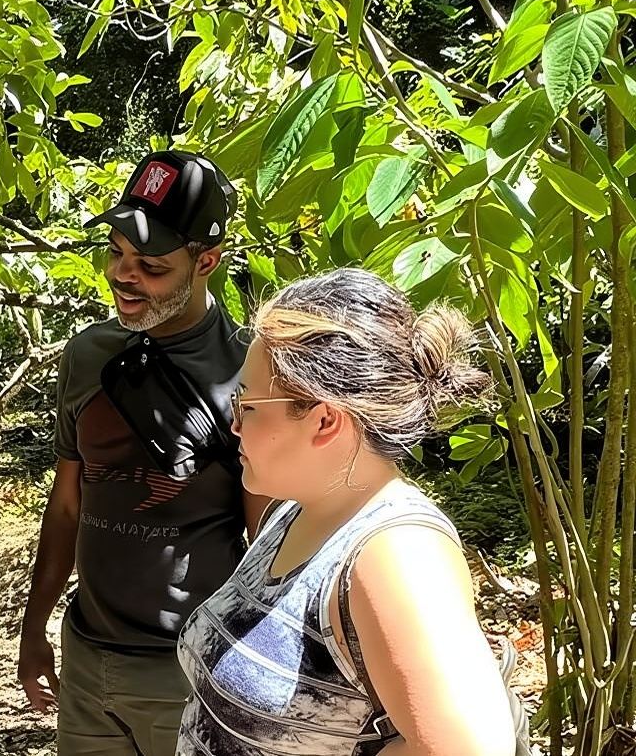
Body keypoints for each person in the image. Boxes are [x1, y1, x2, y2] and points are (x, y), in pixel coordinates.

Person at [176, 267, 516, 756]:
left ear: (324, 420)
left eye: (248, 405)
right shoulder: (293, 513)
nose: (233, 424)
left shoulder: (396, 555)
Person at [18, 151, 271, 756]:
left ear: (206, 261)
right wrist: (36, 628)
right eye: (116, 254)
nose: (123, 275)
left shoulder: (249, 369)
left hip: (187, 667)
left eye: (151, 266)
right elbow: (68, 504)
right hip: (87, 658)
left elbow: (265, 530)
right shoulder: (88, 357)